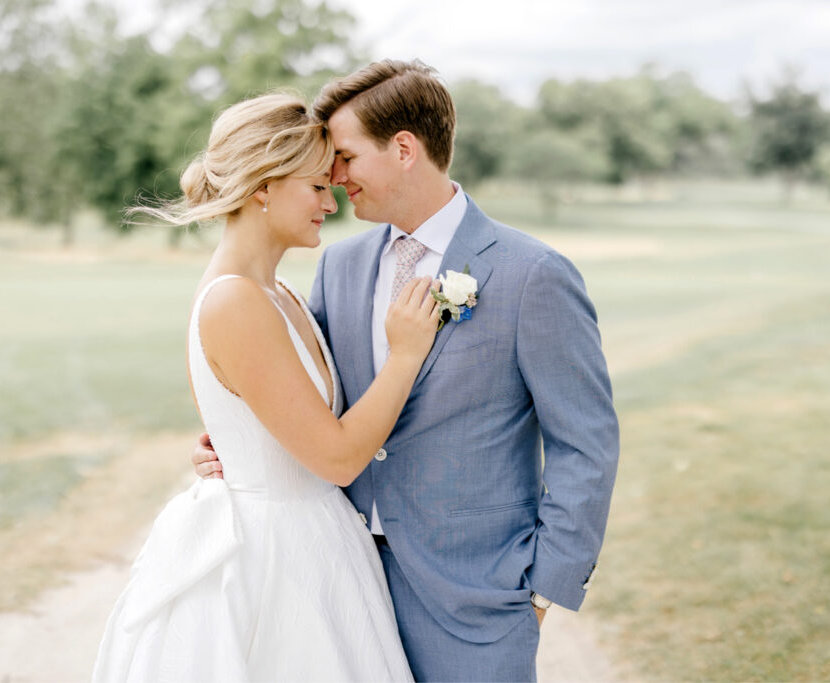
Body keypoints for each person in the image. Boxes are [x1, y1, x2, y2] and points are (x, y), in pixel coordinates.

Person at [193, 60, 620, 682]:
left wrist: (541, 590)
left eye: (344, 157)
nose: (334, 179)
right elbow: (299, 396)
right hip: (339, 582)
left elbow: (586, 442)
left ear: (402, 149)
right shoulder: (338, 267)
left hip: (478, 601)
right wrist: (234, 443)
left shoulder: (533, 274)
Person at [93, 92, 443, 682]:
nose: (330, 203)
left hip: (316, 538)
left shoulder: (279, 294)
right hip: (272, 557)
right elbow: (335, 457)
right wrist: (405, 355)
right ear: (263, 187)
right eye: (314, 186)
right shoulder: (235, 299)